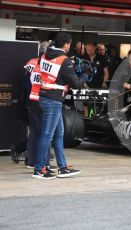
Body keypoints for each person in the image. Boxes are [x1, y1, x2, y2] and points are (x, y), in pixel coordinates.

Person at [33, 32, 86, 179]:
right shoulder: (64, 60)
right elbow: (76, 84)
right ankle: (39, 169)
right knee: (47, 135)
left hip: (44, 97)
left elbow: (47, 74)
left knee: (58, 134)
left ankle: (62, 167)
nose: (70, 46)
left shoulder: (43, 56)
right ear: (66, 44)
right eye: (70, 44)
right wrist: (84, 76)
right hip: (53, 101)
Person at [24, 41, 55, 171]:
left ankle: (30, 161)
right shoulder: (47, 65)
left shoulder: (31, 62)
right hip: (41, 100)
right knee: (45, 132)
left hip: (30, 100)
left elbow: (25, 83)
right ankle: (44, 162)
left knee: (34, 132)